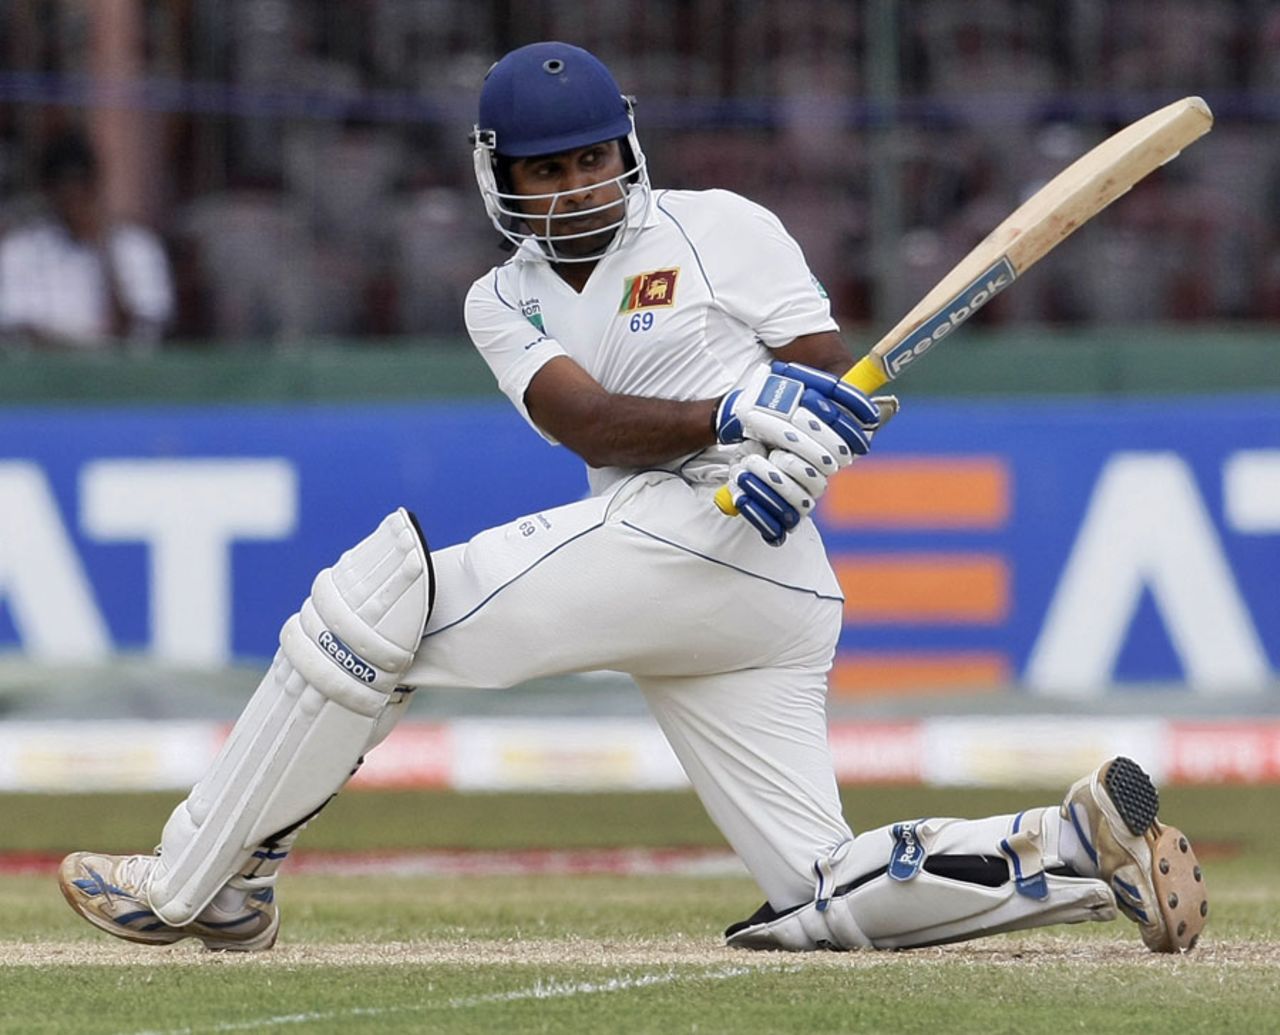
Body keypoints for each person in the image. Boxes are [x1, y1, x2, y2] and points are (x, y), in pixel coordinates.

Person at [57, 42, 1207, 955]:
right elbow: (586, 421)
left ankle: (198, 883)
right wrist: (726, 417)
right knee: (817, 892)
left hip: (729, 541)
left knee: (372, 609)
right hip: (688, 550)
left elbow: (825, 367)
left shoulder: (721, 227)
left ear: (627, 149)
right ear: (497, 177)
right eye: (544, 170)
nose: (573, 187)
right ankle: (1070, 843)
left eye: (592, 159)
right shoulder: (497, 301)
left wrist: (804, 442)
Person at [0, 130, 173, 351]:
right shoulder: (20, 249)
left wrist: (104, 249)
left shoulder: (136, 247)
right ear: (47, 191)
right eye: (63, 189)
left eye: (83, 187)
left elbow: (138, 333)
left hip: (119, 377)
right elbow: (17, 330)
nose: (74, 200)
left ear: (96, 186)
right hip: (46, 374)